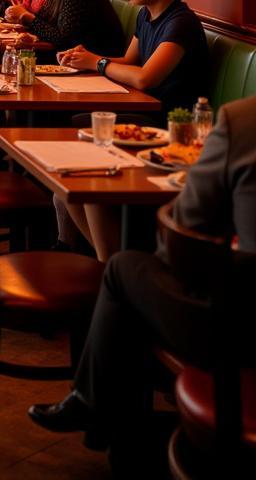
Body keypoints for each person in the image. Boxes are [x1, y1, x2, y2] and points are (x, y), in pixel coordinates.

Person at [28, 95, 256, 472]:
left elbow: (187, 225)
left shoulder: (241, 121)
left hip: (240, 333)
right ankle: (103, 415)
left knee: (123, 270)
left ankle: (98, 413)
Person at [55, 0, 211, 260]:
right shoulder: (146, 15)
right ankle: (102, 258)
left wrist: (97, 64)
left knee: (82, 151)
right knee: (70, 156)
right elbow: (129, 61)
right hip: (142, 118)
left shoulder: (181, 23)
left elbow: (145, 78)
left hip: (170, 127)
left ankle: (107, 262)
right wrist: (88, 55)